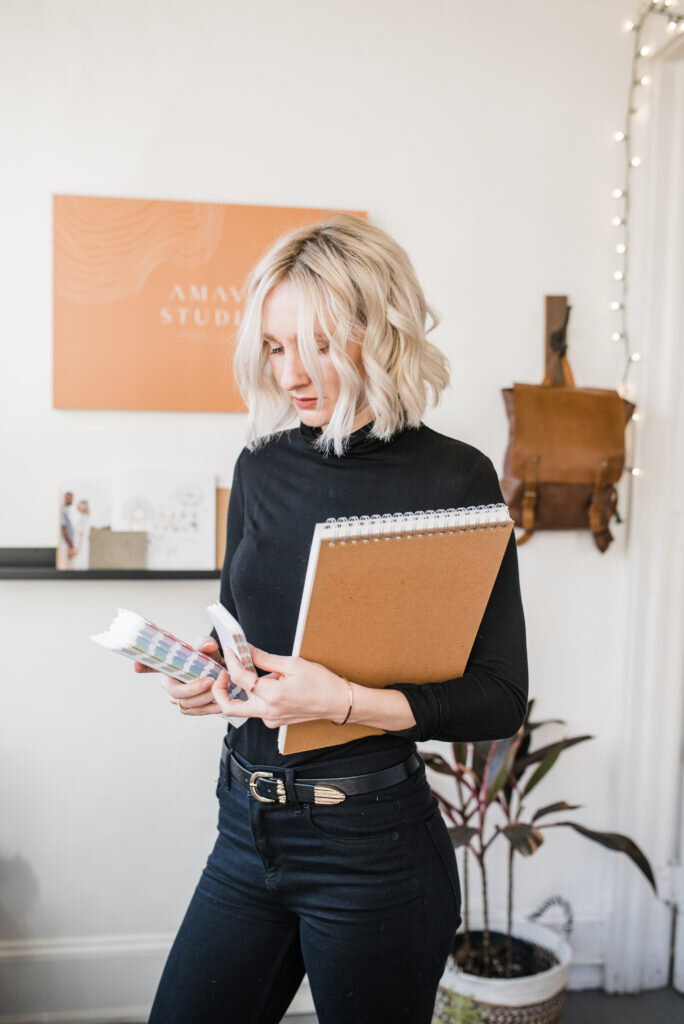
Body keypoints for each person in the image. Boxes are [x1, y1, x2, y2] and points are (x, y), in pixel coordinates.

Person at [136, 214, 528, 1024]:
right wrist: (212, 673)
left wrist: (341, 701)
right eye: (275, 348)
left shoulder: (456, 477)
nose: (291, 374)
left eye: (313, 345)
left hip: (374, 850)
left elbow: (498, 698)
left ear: (377, 332)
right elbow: (243, 636)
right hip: (245, 830)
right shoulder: (260, 467)